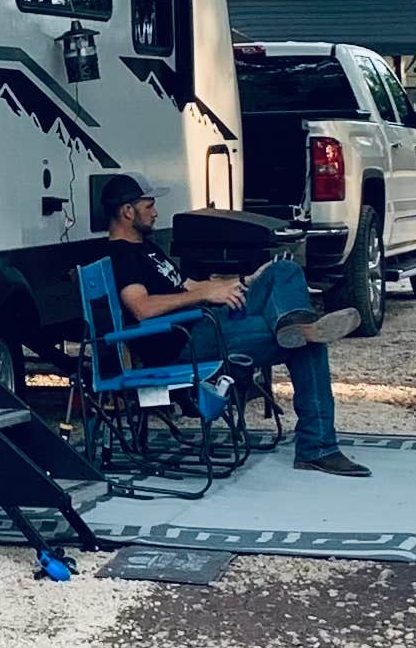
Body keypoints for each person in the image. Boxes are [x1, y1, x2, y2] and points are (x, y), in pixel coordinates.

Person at [101, 181, 370, 478]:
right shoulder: (121, 255)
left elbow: (187, 286)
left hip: (204, 323)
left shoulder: (146, 248)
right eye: (149, 206)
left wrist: (239, 281)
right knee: (308, 343)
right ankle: (317, 448)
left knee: (282, 270)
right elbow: (142, 308)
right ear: (127, 211)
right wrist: (205, 295)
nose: (155, 212)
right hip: (182, 343)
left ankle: (294, 324)